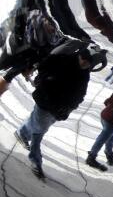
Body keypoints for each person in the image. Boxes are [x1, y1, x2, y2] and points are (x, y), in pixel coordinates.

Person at [15, 42, 105, 178]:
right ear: (80, 54)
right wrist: (47, 79)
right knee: (39, 131)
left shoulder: (85, 74)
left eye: (88, 63)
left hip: (60, 110)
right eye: (83, 59)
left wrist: (71, 107)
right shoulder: (63, 59)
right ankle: (36, 161)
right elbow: (44, 65)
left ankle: (21, 133)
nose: (84, 63)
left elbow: (81, 94)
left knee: (37, 123)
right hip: (45, 101)